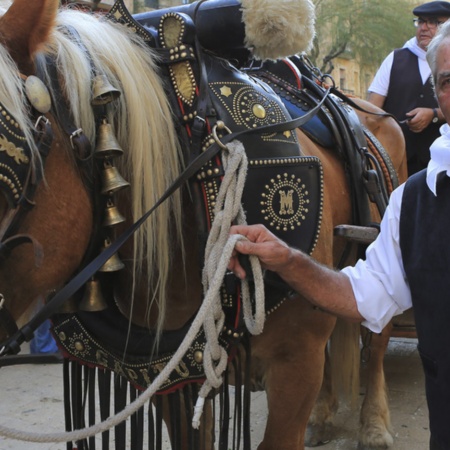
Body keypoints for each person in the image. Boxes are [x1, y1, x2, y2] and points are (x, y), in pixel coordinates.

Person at [227, 19, 450, 450]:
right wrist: (289, 259)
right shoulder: (413, 202)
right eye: (448, 81)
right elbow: (366, 293)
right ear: (438, 94)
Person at [367, 0, 450, 175]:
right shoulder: (395, 59)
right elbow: (371, 111)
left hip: (441, 165)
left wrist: (433, 114)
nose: (424, 27)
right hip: (395, 165)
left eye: (433, 21)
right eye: (420, 21)